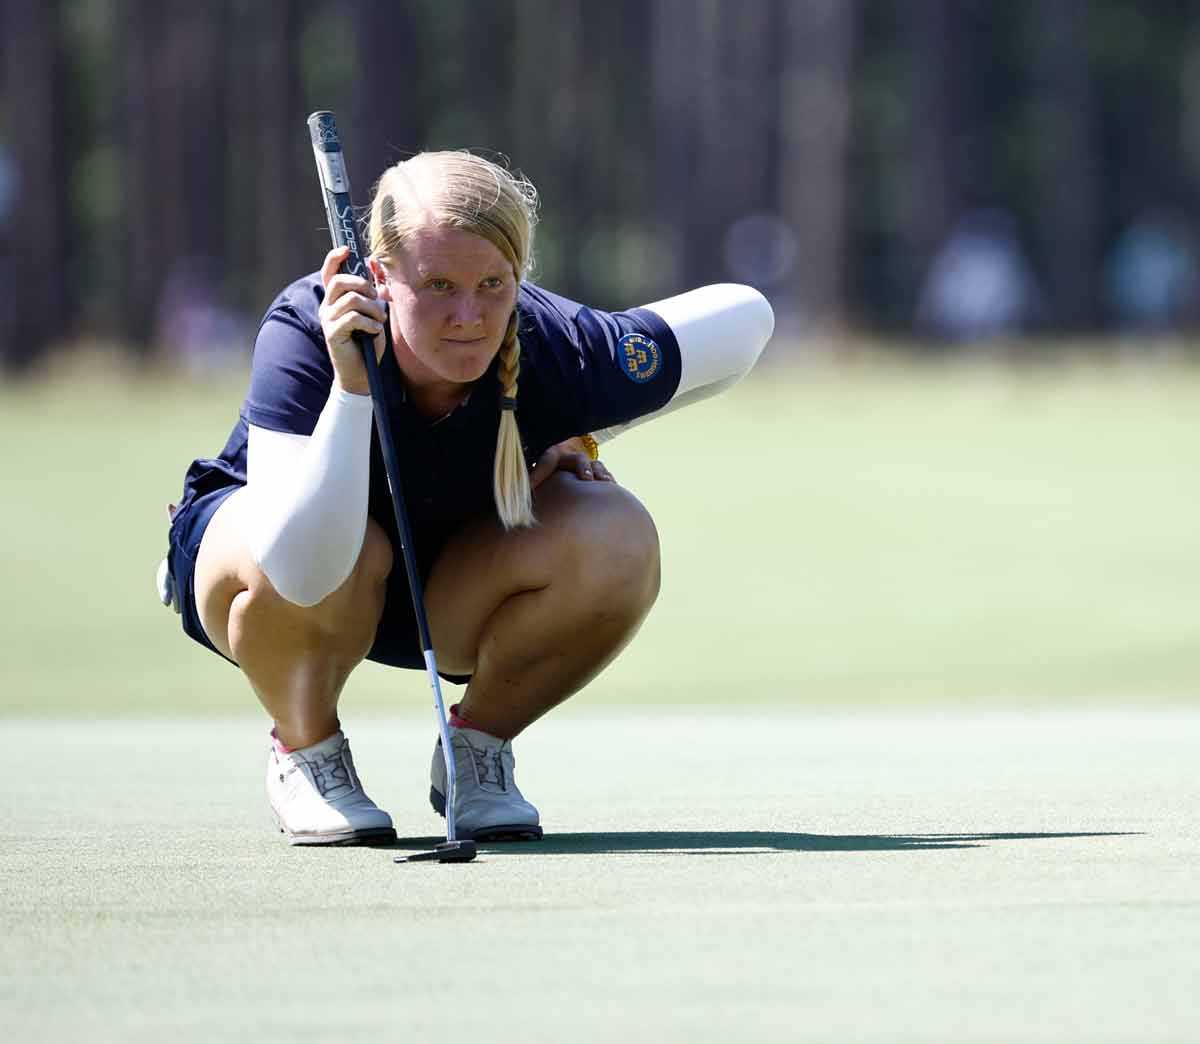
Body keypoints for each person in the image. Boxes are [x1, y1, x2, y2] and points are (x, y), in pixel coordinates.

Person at [156, 150, 773, 845]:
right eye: (439, 285)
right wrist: (353, 386)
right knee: (348, 550)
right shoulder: (305, 326)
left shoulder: (554, 342)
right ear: (381, 277)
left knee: (617, 533)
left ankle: (476, 754)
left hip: (448, 583)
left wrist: (585, 430)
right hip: (286, 585)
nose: (469, 316)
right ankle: (308, 753)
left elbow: (745, 320)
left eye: (493, 284)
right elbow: (299, 570)